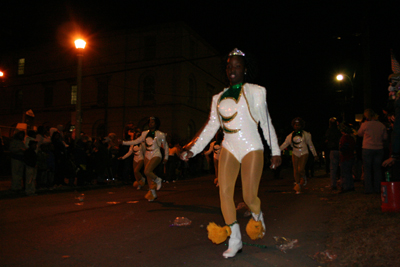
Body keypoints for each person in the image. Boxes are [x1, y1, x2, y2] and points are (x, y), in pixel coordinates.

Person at [180, 48, 281, 258]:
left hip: (252, 146)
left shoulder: (256, 91)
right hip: (229, 146)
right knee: (224, 193)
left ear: (245, 69)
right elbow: (211, 127)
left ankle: (257, 213)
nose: (232, 69)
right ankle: (234, 239)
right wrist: (193, 150)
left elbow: (265, 122)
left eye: (237, 66)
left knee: (248, 195)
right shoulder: (218, 97)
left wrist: (275, 151)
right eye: (229, 66)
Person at [120, 117, 169, 201]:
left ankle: (158, 179)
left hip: (156, 154)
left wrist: (166, 157)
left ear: (156, 124)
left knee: (147, 171)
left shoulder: (160, 134)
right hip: (147, 154)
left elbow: (165, 146)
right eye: (150, 122)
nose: (150, 124)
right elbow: (136, 141)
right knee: (148, 175)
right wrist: (124, 142)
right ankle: (152, 193)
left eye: (153, 122)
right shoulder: (144, 133)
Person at [280, 117, 319, 194]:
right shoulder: (290, 136)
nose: (297, 126)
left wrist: (315, 154)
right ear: (293, 126)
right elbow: (285, 144)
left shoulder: (306, 134)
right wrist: (277, 151)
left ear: (301, 126)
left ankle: (303, 177)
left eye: (298, 125)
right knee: (295, 170)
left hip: (304, 152)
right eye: (295, 125)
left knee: (300, 169)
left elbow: (310, 145)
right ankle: (297, 186)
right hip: (295, 153)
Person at [358, 109, 388, 193]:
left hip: (367, 148)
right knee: (377, 169)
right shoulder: (381, 125)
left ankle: (368, 188)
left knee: (367, 169)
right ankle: (378, 188)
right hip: (378, 148)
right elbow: (385, 137)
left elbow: (359, 134)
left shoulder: (365, 125)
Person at [338, 122, 356, 193]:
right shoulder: (351, 138)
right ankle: (350, 186)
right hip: (351, 156)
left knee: (345, 173)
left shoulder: (344, 138)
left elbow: (343, 148)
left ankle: (345, 186)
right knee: (349, 172)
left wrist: (342, 151)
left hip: (345, 157)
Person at [325, 117, 342, 190]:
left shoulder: (329, 131)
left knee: (333, 168)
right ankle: (341, 182)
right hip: (339, 150)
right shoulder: (338, 131)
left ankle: (333, 184)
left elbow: (326, 139)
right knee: (340, 167)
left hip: (333, 150)